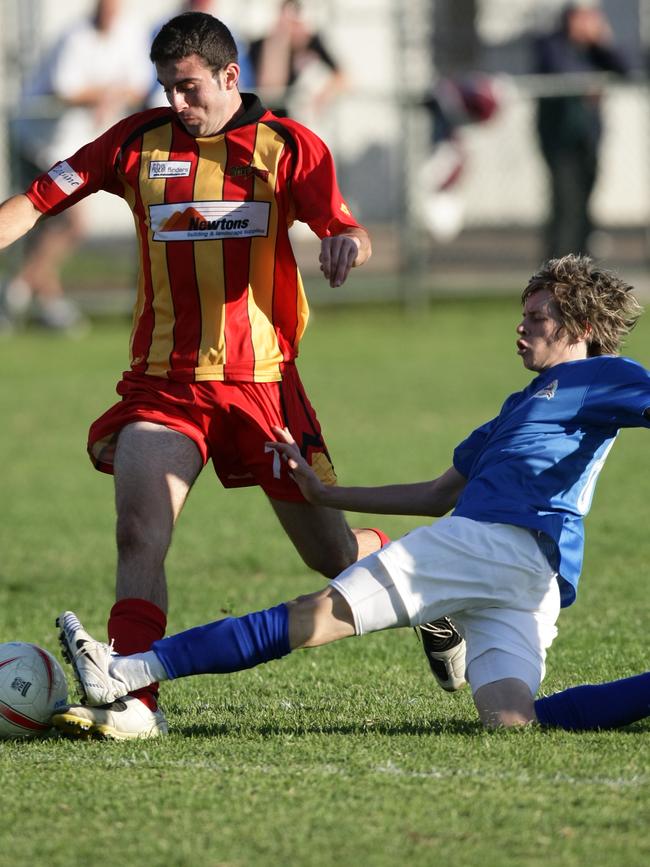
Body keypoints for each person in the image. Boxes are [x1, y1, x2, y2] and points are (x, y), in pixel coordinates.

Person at [54, 254, 650, 735]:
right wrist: (323, 494)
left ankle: (128, 668)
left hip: (494, 546)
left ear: (583, 330)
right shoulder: (517, 408)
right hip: (522, 577)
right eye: (523, 314)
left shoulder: (605, 375)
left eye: (539, 317)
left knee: (313, 618)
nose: (522, 327)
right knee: (514, 722)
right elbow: (439, 492)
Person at [1, 0, 151, 333]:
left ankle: (33, 297)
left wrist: (109, 96)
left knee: (48, 228)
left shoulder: (129, 34)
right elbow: (66, 89)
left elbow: (140, 84)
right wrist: (105, 95)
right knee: (67, 221)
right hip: (40, 141)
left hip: (75, 145)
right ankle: (21, 291)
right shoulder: (76, 37)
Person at [533, 2, 631, 260]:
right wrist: (587, 82)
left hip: (588, 138)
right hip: (559, 140)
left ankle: (584, 264)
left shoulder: (594, 50)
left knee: (586, 201)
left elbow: (625, 67)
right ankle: (557, 266)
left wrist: (602, 42)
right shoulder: (552, 43)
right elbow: (558, 70)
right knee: (566, 203)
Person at [249, 0, 347, 118]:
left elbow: (342, 77)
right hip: (264, 110)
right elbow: (270, 87)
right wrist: (280, 42)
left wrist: (322, 96)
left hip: (293, 111)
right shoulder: (261, 44)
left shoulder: (310, 42)